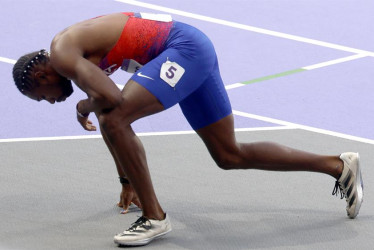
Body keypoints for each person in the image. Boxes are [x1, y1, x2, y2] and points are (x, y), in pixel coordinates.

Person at [12, 12, 363, 247]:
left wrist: (82, 105)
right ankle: (338, 165)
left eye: (41, 98)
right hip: (191, 50)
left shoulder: (62, 54)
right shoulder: (77, 59)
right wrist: (126, 181)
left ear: (42, 76)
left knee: (111, 114)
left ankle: (155, 218)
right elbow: (108, 110)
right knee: (229, 155)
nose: (48, 102)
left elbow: (110, 101)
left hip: (184, 50)